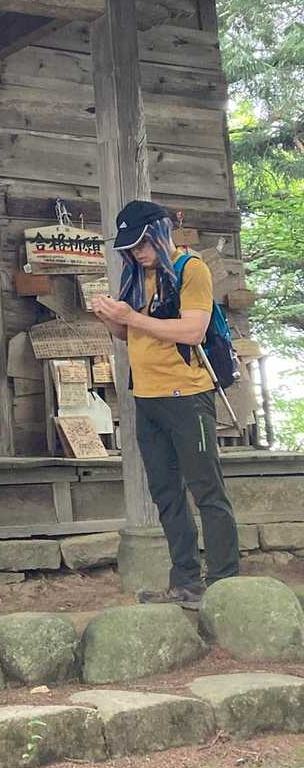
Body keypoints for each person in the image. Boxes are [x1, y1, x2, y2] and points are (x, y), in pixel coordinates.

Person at [91, 200, 240, 609]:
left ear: (161, 232)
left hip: (188, 396)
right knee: (166, 494)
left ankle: (225, 585)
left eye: (142, 243)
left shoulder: (192, 269)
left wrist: (130, 317)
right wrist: (110, 317)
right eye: (130, 246)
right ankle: (185, 583)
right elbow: (130, 334)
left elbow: (192, 331)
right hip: (147, 397)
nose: (138, 252)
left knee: (207, 490)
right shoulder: (136, 275)